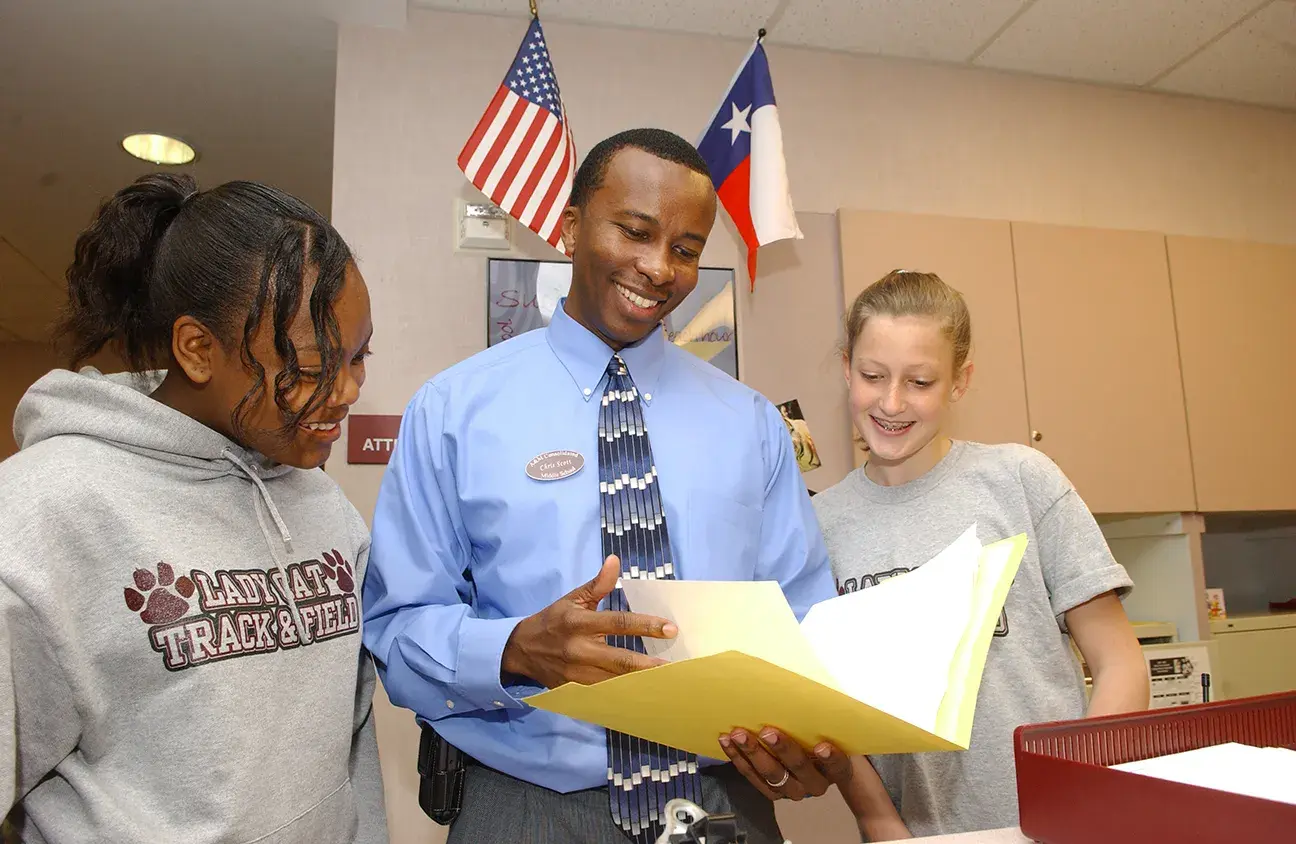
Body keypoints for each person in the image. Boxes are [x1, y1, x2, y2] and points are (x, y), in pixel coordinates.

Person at [362, 128, 845, 844]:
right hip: (526, 807)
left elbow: (805, 620)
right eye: (635, 232)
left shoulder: (751, 424)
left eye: (685, 249)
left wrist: (802, 735)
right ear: (568, 230)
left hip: (721, 801)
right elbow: (395, 626)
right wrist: (516, 650)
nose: (658, 268)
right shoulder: (453, 410)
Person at [0, 173, 388, 843]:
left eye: (359, 356)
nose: (349, 388)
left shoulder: (325, 506)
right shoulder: (40, 517)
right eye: (315, 365)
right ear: (198, 350)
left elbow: (349, 748)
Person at [811, 269, 1151, 839]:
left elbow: (1121, 663)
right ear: (847, 367)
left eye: (920, 381)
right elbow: (832, 717)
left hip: (1057, 821)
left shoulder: (1021, 480)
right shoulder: (821, 526)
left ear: (959, 382)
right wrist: (881, 824)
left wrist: (1079, 796)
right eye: (872, 375)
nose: (892, 402)